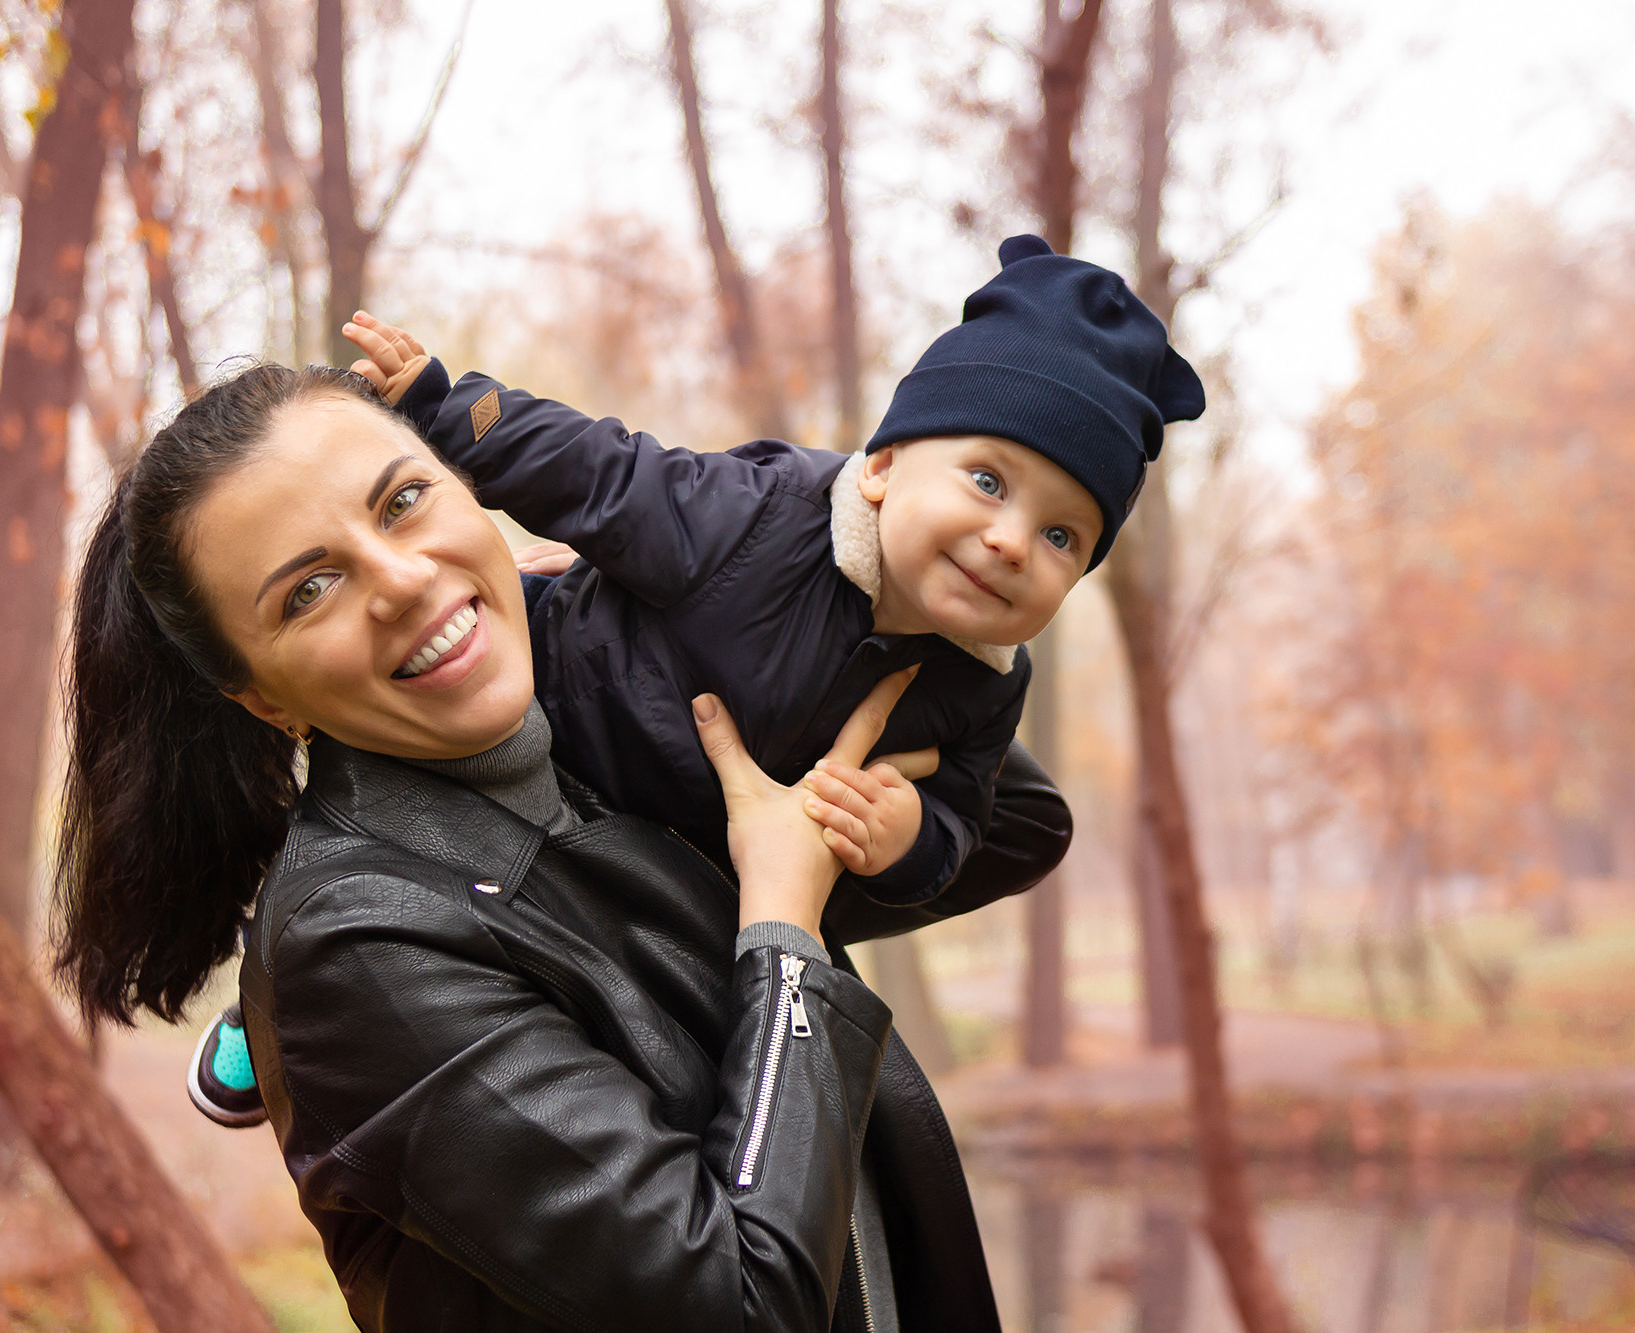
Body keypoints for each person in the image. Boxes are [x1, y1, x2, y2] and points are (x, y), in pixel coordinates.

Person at [56, 361, 1068, 1331]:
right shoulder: (356, 948)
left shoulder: (606, 744)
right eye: (309, 589)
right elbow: (739, 1299)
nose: (403, 579)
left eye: (403, 501)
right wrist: (783, 931)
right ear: (262, 697)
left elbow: (1021, 822)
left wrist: (721, 608)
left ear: (470, 490)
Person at [342, 234, 1203, 914]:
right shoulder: (760, 517)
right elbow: (601, 473)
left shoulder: (985, 686)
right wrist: (447, 407)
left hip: (670, 861)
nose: (1012, 542)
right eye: (987, 481)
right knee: (406, 781)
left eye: (1061, 535)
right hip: (554, 714)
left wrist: (909, 839)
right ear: (883, 466)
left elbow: (960, 821)